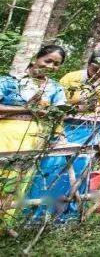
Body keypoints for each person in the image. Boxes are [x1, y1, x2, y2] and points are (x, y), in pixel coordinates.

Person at [26, 48, 100, 221]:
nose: (99, 73)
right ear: (89, 64)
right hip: (64, 127)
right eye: (96, 69)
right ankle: (35, 213)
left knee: (79, 171)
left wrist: (96, 108)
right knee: (51, 167)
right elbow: (54, 102)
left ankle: (65, 215)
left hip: (91, 129)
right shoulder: (71, 78)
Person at [0, 45, 67, 223]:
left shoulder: (55, 88)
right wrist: (26, 108)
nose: (51, 66)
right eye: (48, 61)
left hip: (33, 137)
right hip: (5, 133)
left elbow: (60, 113)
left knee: (17, 182)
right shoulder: (10, 81)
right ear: (36, 59)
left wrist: (56, 129)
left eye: (56, 64)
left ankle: (4, 224)